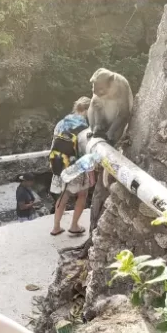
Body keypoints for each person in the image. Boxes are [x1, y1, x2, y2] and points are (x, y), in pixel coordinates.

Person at [50, 96, 95, 237]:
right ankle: (74, 226)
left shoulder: (61, 123)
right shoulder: (85, 130)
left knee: (63, 195)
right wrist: (91, 175)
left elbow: (53, 144)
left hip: (59, 164)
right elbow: (86, 154)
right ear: (88, 110)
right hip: (76, 168)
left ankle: (56, 227)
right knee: (82, 195)